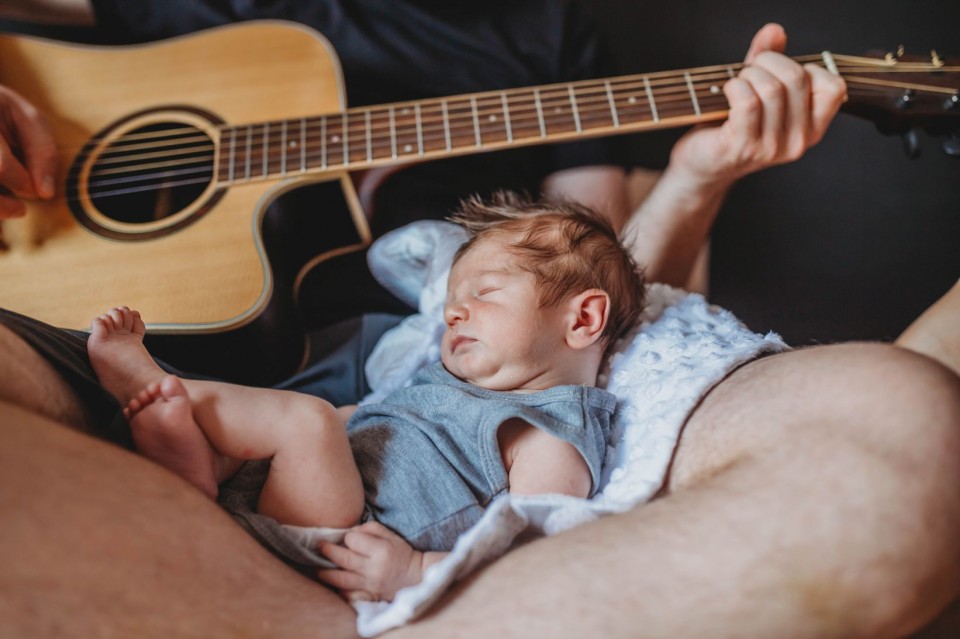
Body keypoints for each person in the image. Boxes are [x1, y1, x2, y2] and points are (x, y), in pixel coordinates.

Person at [5, 3, 959, 639]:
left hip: (424, 388)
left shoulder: (548, 37)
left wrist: (694, 177)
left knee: (905, 437)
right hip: (74, 347)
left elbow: (601, 292)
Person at [83, 196, 645, 602]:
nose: (453, 312)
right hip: (309, 488)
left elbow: (531, 561)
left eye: (485, 293)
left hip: (350, 536)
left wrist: (414, 570)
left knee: (307, 420)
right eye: (452, 298)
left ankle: (144, 383)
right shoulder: (457, 384)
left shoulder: (551, 435)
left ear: (584, 318)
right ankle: (200, 462)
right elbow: (376, 426)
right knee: (318, 422)